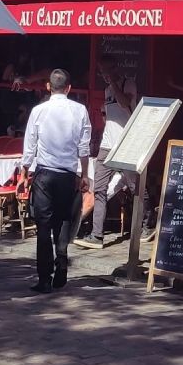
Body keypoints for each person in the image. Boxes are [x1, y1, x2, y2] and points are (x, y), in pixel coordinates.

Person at [21, 69, 91, 292]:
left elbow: (29, 144)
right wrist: (85, 174)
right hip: (67, 174)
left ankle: (44, 278)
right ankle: (61, 262)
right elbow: (84, 146)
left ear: (48, 87)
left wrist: (24, 172)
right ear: (69, 88)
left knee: (43, 225)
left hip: (45, 173)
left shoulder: (39, 111)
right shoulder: (80, 110)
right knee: (63, 220)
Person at [77, 63, 142, 248]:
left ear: (115, 70)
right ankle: (97, 235)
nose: (104, 76)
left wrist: (113, 82)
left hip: (126, 143)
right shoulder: (107, 90)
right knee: (99, 188)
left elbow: (124, 103)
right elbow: (110, 115)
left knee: (134, 186)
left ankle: (146, 223)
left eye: (107, 72)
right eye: (102, 73)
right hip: (107, 144)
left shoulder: (127, 84)